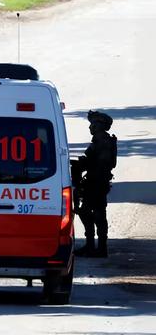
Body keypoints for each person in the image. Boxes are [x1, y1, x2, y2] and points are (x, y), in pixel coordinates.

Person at [71, 110, 117, 258]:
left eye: (93, 124)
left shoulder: (103, 141)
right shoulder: (99, 140)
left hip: (97, 183)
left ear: (99, 125)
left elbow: (102, 163)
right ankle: (92, 246)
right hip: (94, 182)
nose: (90, 127)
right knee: (90, 212)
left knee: (94, 214)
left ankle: (98, 247)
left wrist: (83, 165)